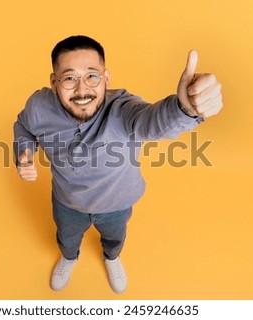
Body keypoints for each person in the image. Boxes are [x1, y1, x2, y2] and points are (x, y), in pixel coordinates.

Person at [13, 35, 223, 293]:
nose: (82, 89)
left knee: (114, 239)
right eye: (69, 78)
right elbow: (23, 126)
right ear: (54, 82)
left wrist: (184, 109)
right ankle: (70, 257)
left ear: (106, 78)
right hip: (67, 202)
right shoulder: (38, 107)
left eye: (92, 76)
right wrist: (24, 153)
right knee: (67, 239)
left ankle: (111, 258)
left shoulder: (123, 108)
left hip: (117, 203)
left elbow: (152, 122)